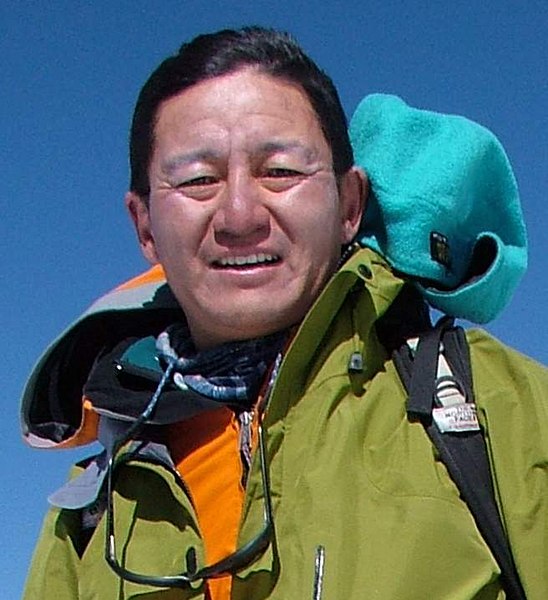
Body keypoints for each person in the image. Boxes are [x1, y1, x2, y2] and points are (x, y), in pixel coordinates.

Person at [21, 26, 547, 600]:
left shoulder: (504, 415)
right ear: (145, 225)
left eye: (281, 172)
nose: (240, 215)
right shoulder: (97, 508)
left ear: (349, 205)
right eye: (199, 180)